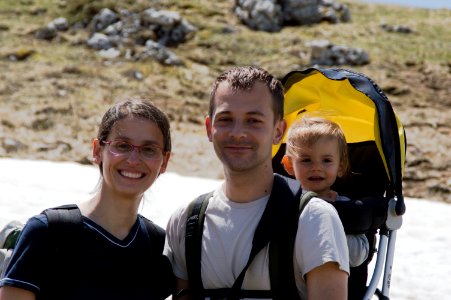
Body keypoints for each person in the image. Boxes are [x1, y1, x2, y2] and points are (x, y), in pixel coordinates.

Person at [164, 66, 349, 299]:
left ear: (278, 131)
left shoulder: (313, 220)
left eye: (253, 120)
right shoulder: (186, 222)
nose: (238, 132)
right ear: (210, 129)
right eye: (226, 119)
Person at [0, 98, 175, 300]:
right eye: (123, 145)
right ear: (97, 151)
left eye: (148, 149)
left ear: (165, 161)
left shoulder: (158, 246)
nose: (134, 160)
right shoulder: (48, 232)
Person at [281, 116, 369, 268]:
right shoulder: (282, 201)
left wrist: (324, 222)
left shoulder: (345, 207)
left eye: (326, 160)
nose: (316, 167)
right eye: (306, 160)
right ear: (289, 165)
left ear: (340, 167)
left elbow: (358, 256)